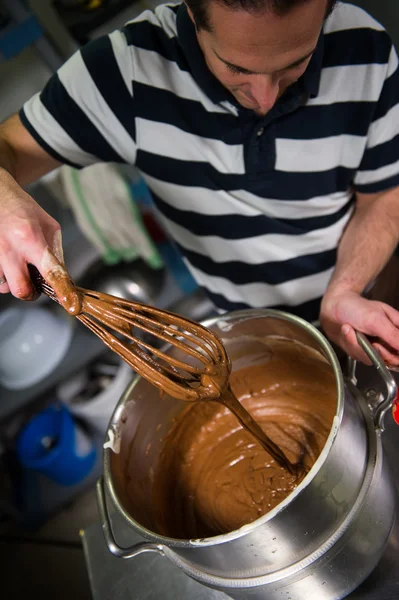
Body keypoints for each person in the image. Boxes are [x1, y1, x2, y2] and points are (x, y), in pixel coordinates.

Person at [0, 0, 399, 364]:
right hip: (248, 326)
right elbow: (9, 148)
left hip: (361, 305)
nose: (265, 98)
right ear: (193, 15)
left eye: (295, 64)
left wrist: (346, 290)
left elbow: (385, 194)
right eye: (238, 69)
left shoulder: (366, 51)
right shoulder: (128, 73)